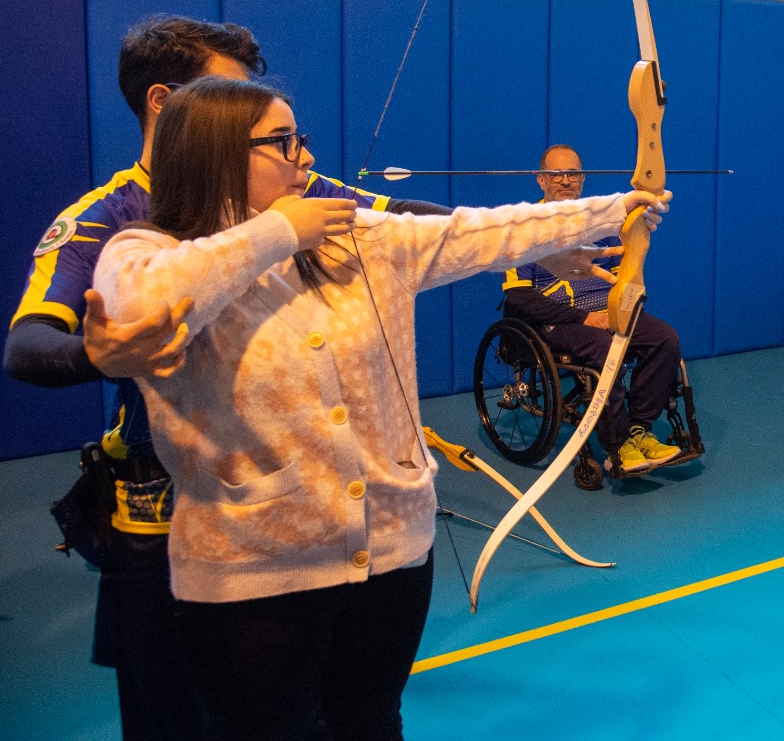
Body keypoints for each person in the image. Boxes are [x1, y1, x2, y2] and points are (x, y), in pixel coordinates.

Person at [92, 77, 667, 741]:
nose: (305, 156)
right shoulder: (144, 250)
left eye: (301, 138)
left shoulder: (358, 236)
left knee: (370, 721)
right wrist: (277, 232)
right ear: (218, 152)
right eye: (282, 142)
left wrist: (621, 207)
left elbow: (480, 234)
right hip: (251, 577)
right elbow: (138, 309)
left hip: (391, 557)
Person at [2, 15, 446, 741]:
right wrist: (99, 355)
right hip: (168, 503)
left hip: (291, 504)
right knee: (175, 716)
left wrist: (540, 241)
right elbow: (27, 347)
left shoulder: (293, 192)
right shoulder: (108, 218)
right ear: (165, 103)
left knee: (339, 710)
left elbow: (414, 225)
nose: (265, 122)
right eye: (231, 96)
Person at [501, 143, 686, 475]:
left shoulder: (600, 225)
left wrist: (625, 308)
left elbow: (621, 279)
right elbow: (519, 297)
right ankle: (616, 446)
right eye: (556, 174)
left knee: (664, 338)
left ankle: (638, 428)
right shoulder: (524, 227)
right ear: (540, 180)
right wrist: (583, 317)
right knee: (602, 347)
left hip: (606, 314)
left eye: (572, 173)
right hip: (557, 322)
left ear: (582, 179)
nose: (565, 181)